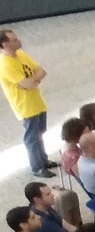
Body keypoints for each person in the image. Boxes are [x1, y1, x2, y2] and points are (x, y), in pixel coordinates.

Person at [0, 28, 54, 176]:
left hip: (36, 101)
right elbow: (29, 83)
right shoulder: (5, 65)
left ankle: (44, 161)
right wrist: (34, 80)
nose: (19, 41)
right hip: (25, 106)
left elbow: (41, 70)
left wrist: (33, 80)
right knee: (32, 138)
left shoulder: (21, 54)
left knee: (40, 133)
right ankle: (37, 167)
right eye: (14, 40)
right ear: (5, 44)